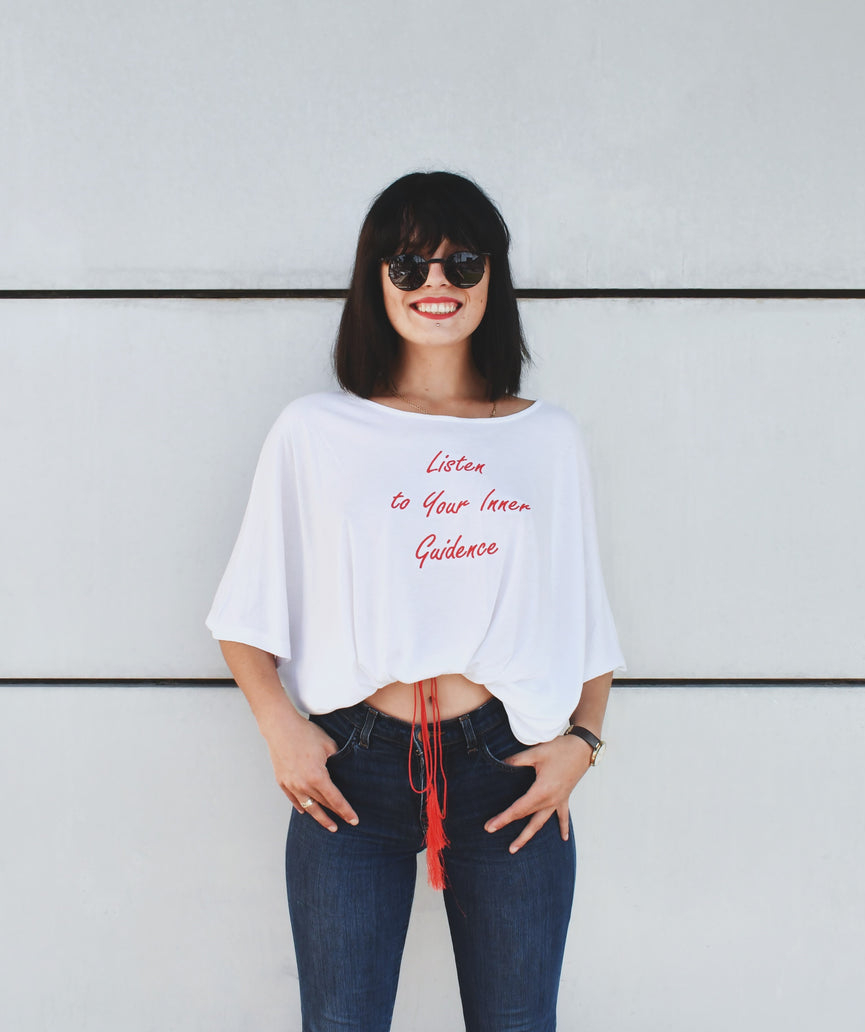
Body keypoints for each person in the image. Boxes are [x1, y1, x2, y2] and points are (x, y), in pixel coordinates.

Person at [206, 170, 626, 1032]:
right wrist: (284, 733)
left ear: (491, 282)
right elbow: (245, 619)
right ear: (376, 282)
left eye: (461, 265)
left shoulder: (545, 438)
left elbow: (585, 621)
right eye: (409, 266)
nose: (436, 285)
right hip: (352, 770)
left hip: (506, 765)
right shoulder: (315, 432)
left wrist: (583, 741)